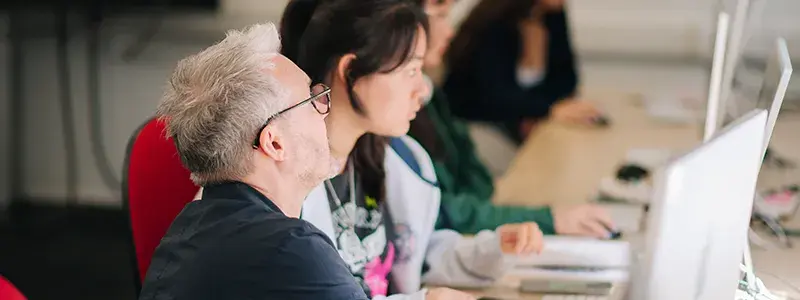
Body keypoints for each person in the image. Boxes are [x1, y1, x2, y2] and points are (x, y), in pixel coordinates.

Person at [281, 0, 544, 299]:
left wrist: (491, 250)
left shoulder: (393, 159)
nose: (421, 89)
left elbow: (411, 251)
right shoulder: (283, 185)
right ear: (350, 71)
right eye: (410, 70)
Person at [138, 23, 369, 300]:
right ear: (274, 143)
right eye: (312, 98)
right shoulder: (293, 251)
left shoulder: (183, 235)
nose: (324, 113)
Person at [408, 0, 617, 237]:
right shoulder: (494, 25)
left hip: (458, 223)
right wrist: (546, 219)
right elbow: (443, 211)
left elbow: (567, 81)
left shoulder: (429, 95)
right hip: (485, 125)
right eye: (441, 16)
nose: (450, 31)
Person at [443, 0, 604, 146]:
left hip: (522, 120)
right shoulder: (494, 22)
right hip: (478, 125)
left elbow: (567, 79)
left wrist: (540, 111)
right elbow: (494, 95)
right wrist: (546, 110)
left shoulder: (551, 17)